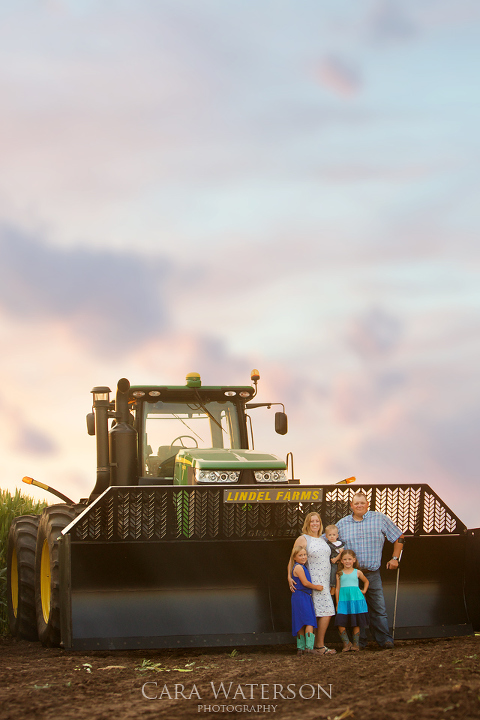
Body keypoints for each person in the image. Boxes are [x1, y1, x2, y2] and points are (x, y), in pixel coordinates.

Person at [335, 492, 404, 650]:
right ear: (351, 506)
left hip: (372, 573)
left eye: (362, 503)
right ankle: (360, 642)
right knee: (355, 608)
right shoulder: (342, 524)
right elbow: (329, 540)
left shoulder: (380, 519)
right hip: (350, 574)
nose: (359, 505)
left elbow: (399, 537)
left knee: (378, 608)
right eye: (356, 503)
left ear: (368, 504)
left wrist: (395, 558)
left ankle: (385, 640)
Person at [288, 512, 336, 655]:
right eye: (311, 521)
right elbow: (292, 559)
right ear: (307, 523)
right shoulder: (303, 539)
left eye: (317, 521)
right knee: (322, 611)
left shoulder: (323, 539)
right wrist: (289, 577)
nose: (315, 524)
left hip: (325, 580)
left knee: (321, 611)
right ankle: (319, 645)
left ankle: (314, 645)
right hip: (311, 580)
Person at [290, 544, 323, 655]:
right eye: (300, 555)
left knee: (299, 620)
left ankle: (301, 648)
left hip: (301, 596)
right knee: (309, 620)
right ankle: (308, 648)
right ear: (294, 557)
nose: (303, 557)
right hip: (301, 596)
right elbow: (305, 582)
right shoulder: (298, 567)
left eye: (305, 555)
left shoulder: (301, 566)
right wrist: (316, 587)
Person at [335, 549, 369, 652]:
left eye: (349, 559)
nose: (347, 561)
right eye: (345, 559)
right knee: (340, 623)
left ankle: (356, 645)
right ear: (341, 561)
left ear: (354, 560)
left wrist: (364, 591)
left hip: (356, 601)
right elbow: (337, 588)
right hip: (343, 601)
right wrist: (337, 603)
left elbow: (366, 581)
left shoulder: (357, 572)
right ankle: (346, 643)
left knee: (356, 623)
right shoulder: (339, 573)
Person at [324, 524, 345, 594]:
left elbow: (342, 552)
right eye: (329, 535)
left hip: (337, 562)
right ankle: (331, 586)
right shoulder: (326, 544)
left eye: (333, 534)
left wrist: (336, 559)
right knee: (329, 573)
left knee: (334, 572)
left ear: (337, 536)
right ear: (326, 536)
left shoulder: (339, 543)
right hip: (329, 561)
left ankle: (334, 586)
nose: (332, 536)